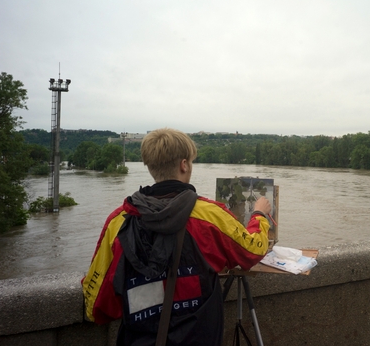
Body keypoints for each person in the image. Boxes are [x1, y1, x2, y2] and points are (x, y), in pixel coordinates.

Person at [81, 128, 271, 346]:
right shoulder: (210, 215)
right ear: (184, 165)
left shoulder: (119, 221)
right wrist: (259, 215)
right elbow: (253, 250)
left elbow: (96, 305)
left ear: (150, 166)